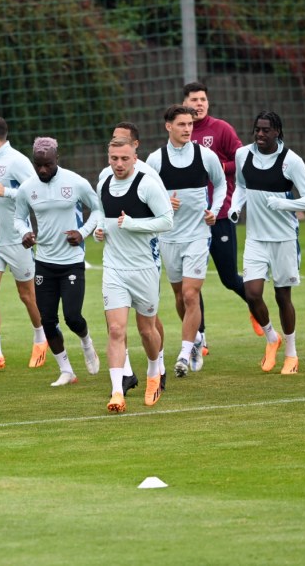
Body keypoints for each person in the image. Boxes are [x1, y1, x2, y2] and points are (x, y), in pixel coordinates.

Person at [228, 111, 305, 375]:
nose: (259, 134)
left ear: (277, 132)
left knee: (283, 297)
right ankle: (272, 338)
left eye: (266, 130)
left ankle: (291, 353)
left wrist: (284, 204)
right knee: (252, 293)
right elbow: (241, 186)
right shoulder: (243, 155)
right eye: (257, 129)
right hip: (256, 238)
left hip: (284, 239)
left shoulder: (290, 161)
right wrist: (236, 207)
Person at [14, 137, 104, 387]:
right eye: (38, 165)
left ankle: (87, 344)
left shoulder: (75, 182)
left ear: (57, 160)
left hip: (72, 262)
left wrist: (82, 232)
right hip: (43, 262)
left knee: (73, 317)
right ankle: (66, 370)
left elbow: (98, 208)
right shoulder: (28, 188)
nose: (43, 170)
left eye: (48, 165)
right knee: (48, 320)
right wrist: (25, 232)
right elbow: (19, 217)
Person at [145, 105, 226, 378]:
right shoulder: (155, 160)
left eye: (190, 124)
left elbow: (221, 183)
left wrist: (214, 210)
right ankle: (196, 338)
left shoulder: (206, 156)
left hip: (198, 235)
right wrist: (164, 203)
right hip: (168, 238)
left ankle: (184, 351)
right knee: (179, 296)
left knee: (192, 294)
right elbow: (144, 194)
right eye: (181, 124)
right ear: (168, 126)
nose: (188, 129)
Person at [96, 136, 174, 413]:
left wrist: (132, 224)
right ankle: (117, 391)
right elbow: (101, 215)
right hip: (114, 268)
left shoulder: (146, 184)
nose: (118, 164)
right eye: (114, 158)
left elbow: (167, 220)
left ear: (134, 156)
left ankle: (154, 370)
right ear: (108, 157)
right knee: (116, 329)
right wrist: (99, 231)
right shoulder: (103, 183)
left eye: (124, 158)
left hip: (144, 269)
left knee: (146, 330)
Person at [0, 115, 48, 370]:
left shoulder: (17, 161)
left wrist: (7, 192)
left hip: (19, 240)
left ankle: (41, 338)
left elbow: (38, 191)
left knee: (27, 295)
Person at [181, 82, 249, 349]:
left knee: (229, 278)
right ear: (185, 103)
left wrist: (222, 165)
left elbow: (242, 159)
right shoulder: (180, 134)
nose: (199, 104)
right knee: (192, 283)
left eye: (203, 99)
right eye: (194, 99)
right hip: (189, 221)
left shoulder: (221, 129)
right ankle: (201, 338)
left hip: (218, 215)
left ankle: (257, 308)